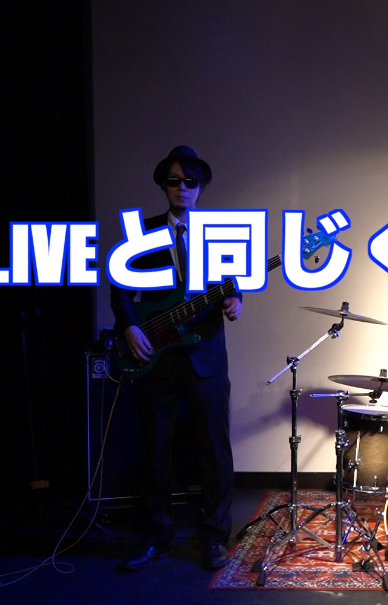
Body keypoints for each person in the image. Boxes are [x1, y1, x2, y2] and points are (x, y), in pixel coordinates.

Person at [111, 146, 243, 572]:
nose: (182, 188)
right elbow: (120, 289)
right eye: (174, 180)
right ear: (163, 185)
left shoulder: (220, 235)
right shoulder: (143, 233)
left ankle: (215, 539)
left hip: (206, 356)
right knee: (155, 450)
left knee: (214, 450)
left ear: (201, 187)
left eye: (190, 181)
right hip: (156, 355)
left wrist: (236, 299)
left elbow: (232, 282)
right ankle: (156, 537)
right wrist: (129, 327)